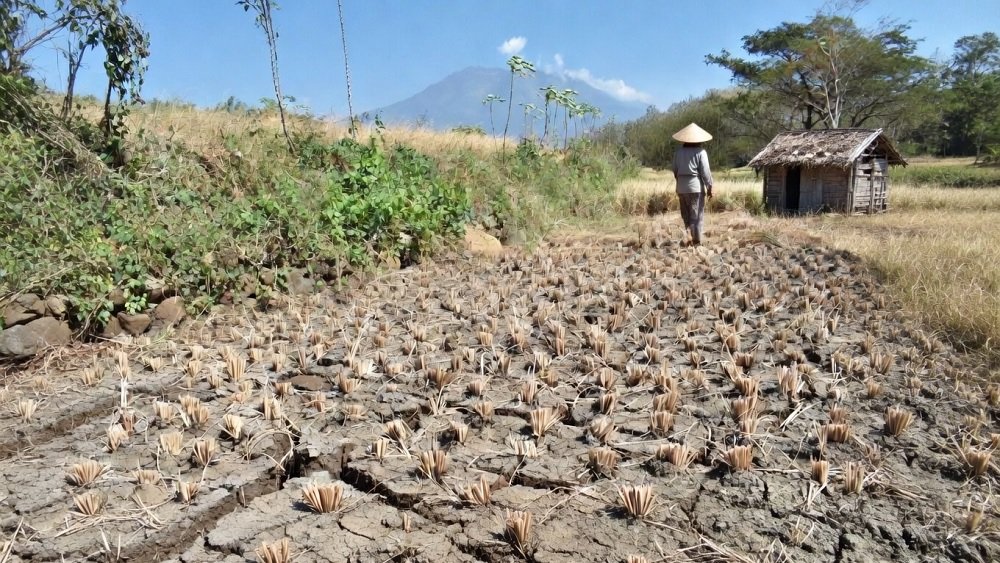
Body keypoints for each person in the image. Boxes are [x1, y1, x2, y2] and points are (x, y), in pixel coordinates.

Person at [671, 123, 714, 246]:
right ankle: (696, 241)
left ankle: (688, 236)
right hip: (696, 188)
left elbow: (675, 170)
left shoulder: (678, 152)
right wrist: (710, 187)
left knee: (686, 215)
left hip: (681, 188)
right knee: (696, 216)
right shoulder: (701, 152)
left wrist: (681, 182)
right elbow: (705, 172)